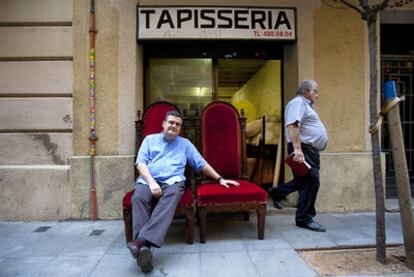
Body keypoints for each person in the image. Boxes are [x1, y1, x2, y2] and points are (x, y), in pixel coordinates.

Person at [127, 109, 239, 273]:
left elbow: (201, 163)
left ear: (180, 129)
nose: (174, 126)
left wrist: (220, 179)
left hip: (173, 181)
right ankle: (145, 249)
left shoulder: (185, 144)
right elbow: (140, 163)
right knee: (138, 198)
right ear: (164, 124)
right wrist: (151, 182)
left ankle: (140, 242)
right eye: (171, 122)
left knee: (172, 196)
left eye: (177, 124)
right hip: (148, 179)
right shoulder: (150, 140)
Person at [268, 80, 328, 232]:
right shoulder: (298, 103)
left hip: (310, 150)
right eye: (315, 91)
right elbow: (293, 125)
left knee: (303, 180)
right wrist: (297, 149)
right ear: (307, 91)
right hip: (303, 149)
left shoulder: (305, 105)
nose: (317, 95)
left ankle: (276, 193)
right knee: (312, 181)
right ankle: (304, 218)